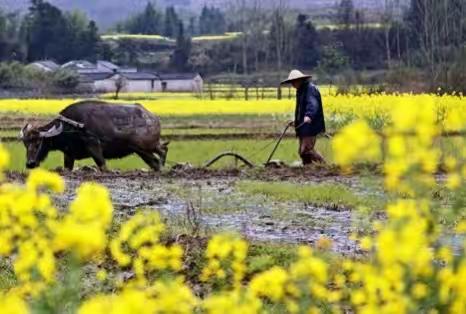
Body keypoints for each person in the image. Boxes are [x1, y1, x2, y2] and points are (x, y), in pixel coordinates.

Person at [281, 70, 326, 165]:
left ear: (300, 80)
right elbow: (301, 110)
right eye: (291, 82)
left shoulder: (310, 89)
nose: (292, 84)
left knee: (306, 150)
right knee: (303, 153)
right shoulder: (300, 91)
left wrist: (309, 115)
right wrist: (296, 121)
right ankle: (308, 169)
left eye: (294, 81)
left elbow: (313, 104)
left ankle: (325, 165)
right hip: (304, 126)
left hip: (310, 125)